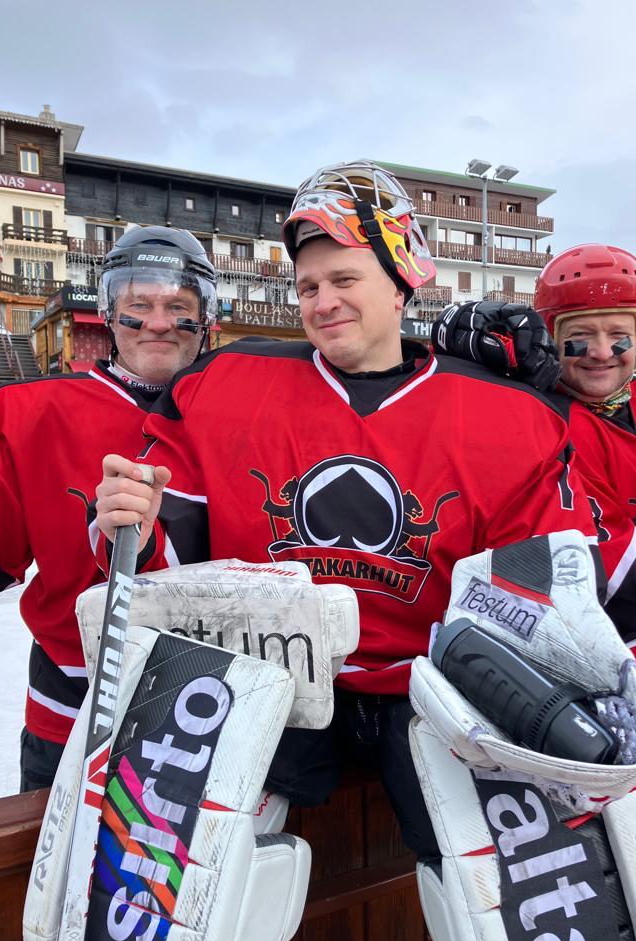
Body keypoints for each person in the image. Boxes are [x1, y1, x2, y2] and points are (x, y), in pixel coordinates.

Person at [93, 161, 597, 862]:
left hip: (433, 690)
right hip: (270, 679)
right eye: (308, 287)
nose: (323, 301)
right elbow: (169, 552)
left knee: (507, 872)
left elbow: (545, 590)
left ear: (401, 280)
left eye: (344, 279)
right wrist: (134, 529)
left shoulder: (507, 412)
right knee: (198, 859)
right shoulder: (226, 385)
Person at [432, 243, 636, 801]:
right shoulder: (538, 422)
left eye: (619, 337)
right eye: (578, 338)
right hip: (633, 652)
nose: (602, 353)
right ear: (548, 338)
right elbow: (617, 588)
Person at [0, 226, 217, 791]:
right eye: (139, 305)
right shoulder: (24, 413)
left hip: (207, 710)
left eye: (179, 307)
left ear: (205, 317)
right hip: (69, 705)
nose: (158, 323)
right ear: (109, 313)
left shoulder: (242, 412)